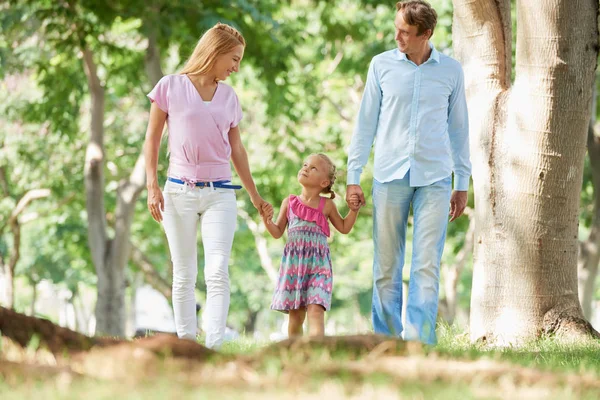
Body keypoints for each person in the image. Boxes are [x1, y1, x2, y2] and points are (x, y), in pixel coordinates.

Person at [346, 0, 471, 345]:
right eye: (397, 28)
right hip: (389, 175)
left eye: (405, 32)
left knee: (426, 266)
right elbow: (365, 123)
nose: (397, 36)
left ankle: (420, 344)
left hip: (435, 178)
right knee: (386, 265)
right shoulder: (381, 65)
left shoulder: (451, 71)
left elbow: (459, 129)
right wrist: (353, 176)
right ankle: (386, 341)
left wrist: (462, 183)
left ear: (426, 34)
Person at [143, 22, 273, 349]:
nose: (236, 67)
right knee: (184, 273)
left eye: (239, 60)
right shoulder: (170, 87)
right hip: (178, 192)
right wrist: (151, 185)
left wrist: (256, 197)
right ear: (214, 52)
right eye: (234, 58)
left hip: (220, 194)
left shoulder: (229, 97)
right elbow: (152, 138)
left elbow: (238, 151)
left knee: (217, 271)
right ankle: (187, 346)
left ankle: (213, 347)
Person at [263, 154, 360, 337]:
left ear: (324, 182)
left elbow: (344, 227)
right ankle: (295, 353)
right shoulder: (289, 203)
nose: (306, 168)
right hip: (295, 266)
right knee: (296, 315)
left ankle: (317, 351)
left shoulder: (327, 205)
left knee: (316, 310)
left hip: (318, 266)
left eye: (313, 168)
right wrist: (266, 220)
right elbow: (277, 232)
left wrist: (354, 210)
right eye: (305, 164)